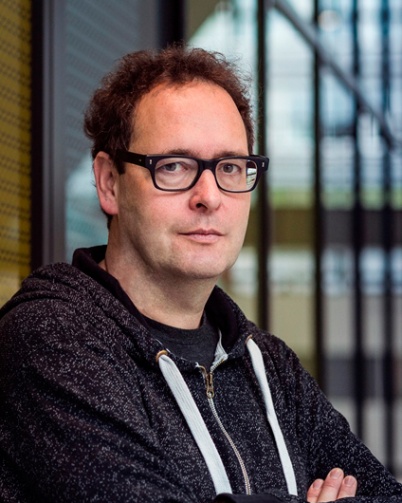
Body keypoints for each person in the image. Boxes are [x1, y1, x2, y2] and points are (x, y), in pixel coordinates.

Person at [0, 46, 401, 503]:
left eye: (230, 167)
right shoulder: (51, 339)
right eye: (174, 166)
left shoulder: (267, 365)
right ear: (110, 182)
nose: (209, 196)